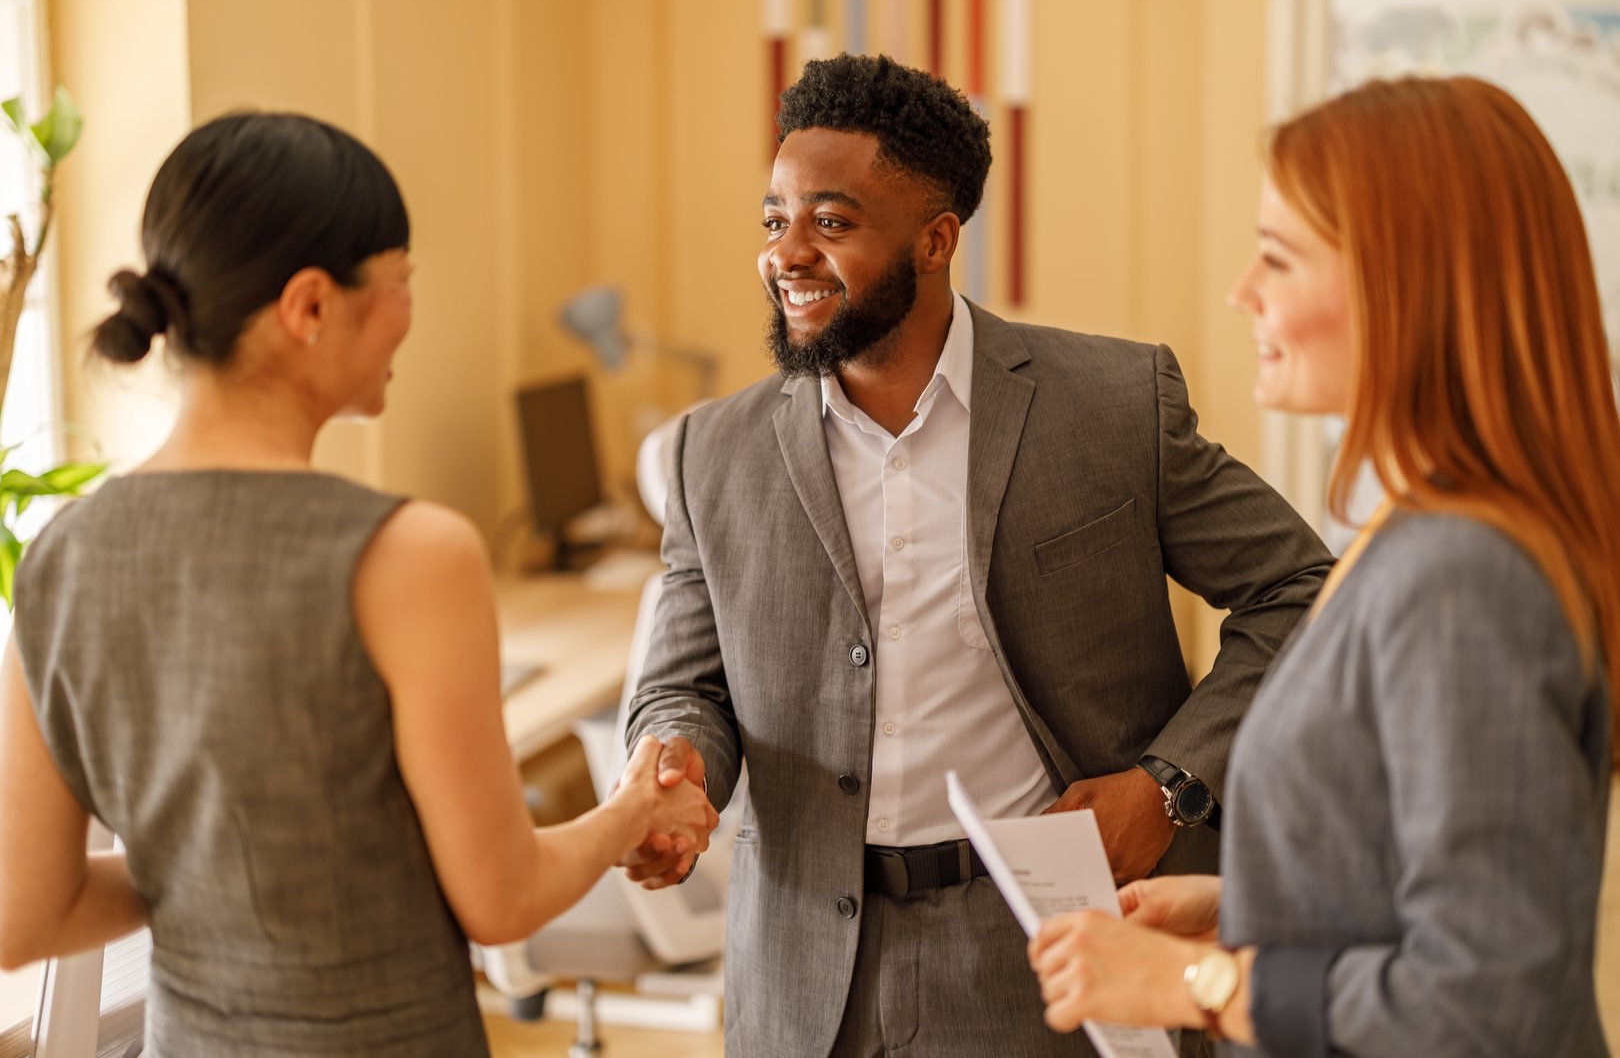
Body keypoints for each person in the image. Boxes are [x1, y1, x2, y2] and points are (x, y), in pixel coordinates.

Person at [620, 53, 1334, 1058]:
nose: (787, 252)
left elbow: (1305, 592)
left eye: (830, 222)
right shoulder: (710, 454)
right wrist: (677, 764)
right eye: (774, 218)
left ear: (936, 238)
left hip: (1050, 948)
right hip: (803, 981)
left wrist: (1167, 782)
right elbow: (684, 684)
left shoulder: (1111, 405)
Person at [0, 112, 716, 1057]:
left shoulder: (61, 556)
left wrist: (209, 863)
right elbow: (500, 901)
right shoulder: (411, 556)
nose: (411, 313)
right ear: (310, 307)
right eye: (401, 281)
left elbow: (21, 916)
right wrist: (631, 808)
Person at [1028, 75, 1620, 1058]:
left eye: (1278, 259)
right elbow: (1413, 882)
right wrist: (1259, 915)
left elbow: (1489, 996)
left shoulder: (1464, 573)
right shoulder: (1415, 533)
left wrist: (1201, 981)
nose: (1241, 292)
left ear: (1407, 286)